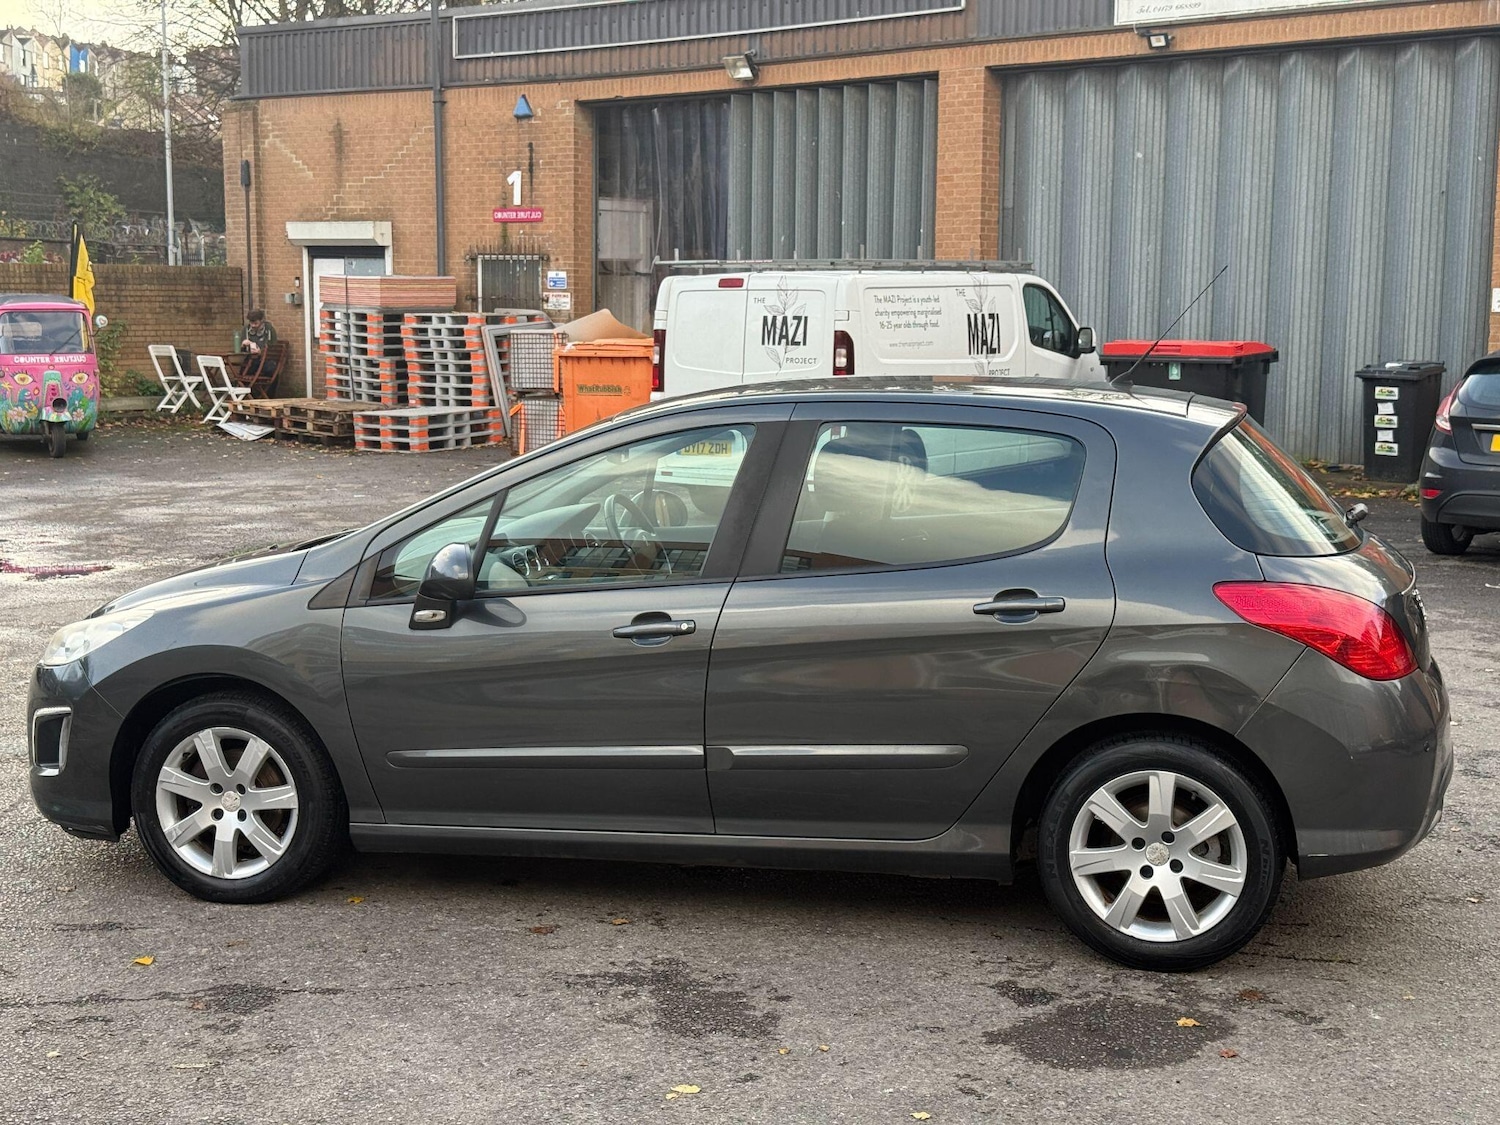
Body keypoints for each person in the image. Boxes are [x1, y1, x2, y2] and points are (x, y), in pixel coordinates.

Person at [234, 309, 279, 379]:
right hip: (251, 359)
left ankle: (270, 386)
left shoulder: (269, 329)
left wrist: (261, 352)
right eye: (251, 323)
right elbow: (241, 351)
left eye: (256, 323)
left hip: (267, 359)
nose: (253, 325)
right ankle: (245, 385)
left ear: (261, 320)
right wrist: (243, 345)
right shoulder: (246, 329)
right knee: (243, 371)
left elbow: (273, 348)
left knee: (271, 369)